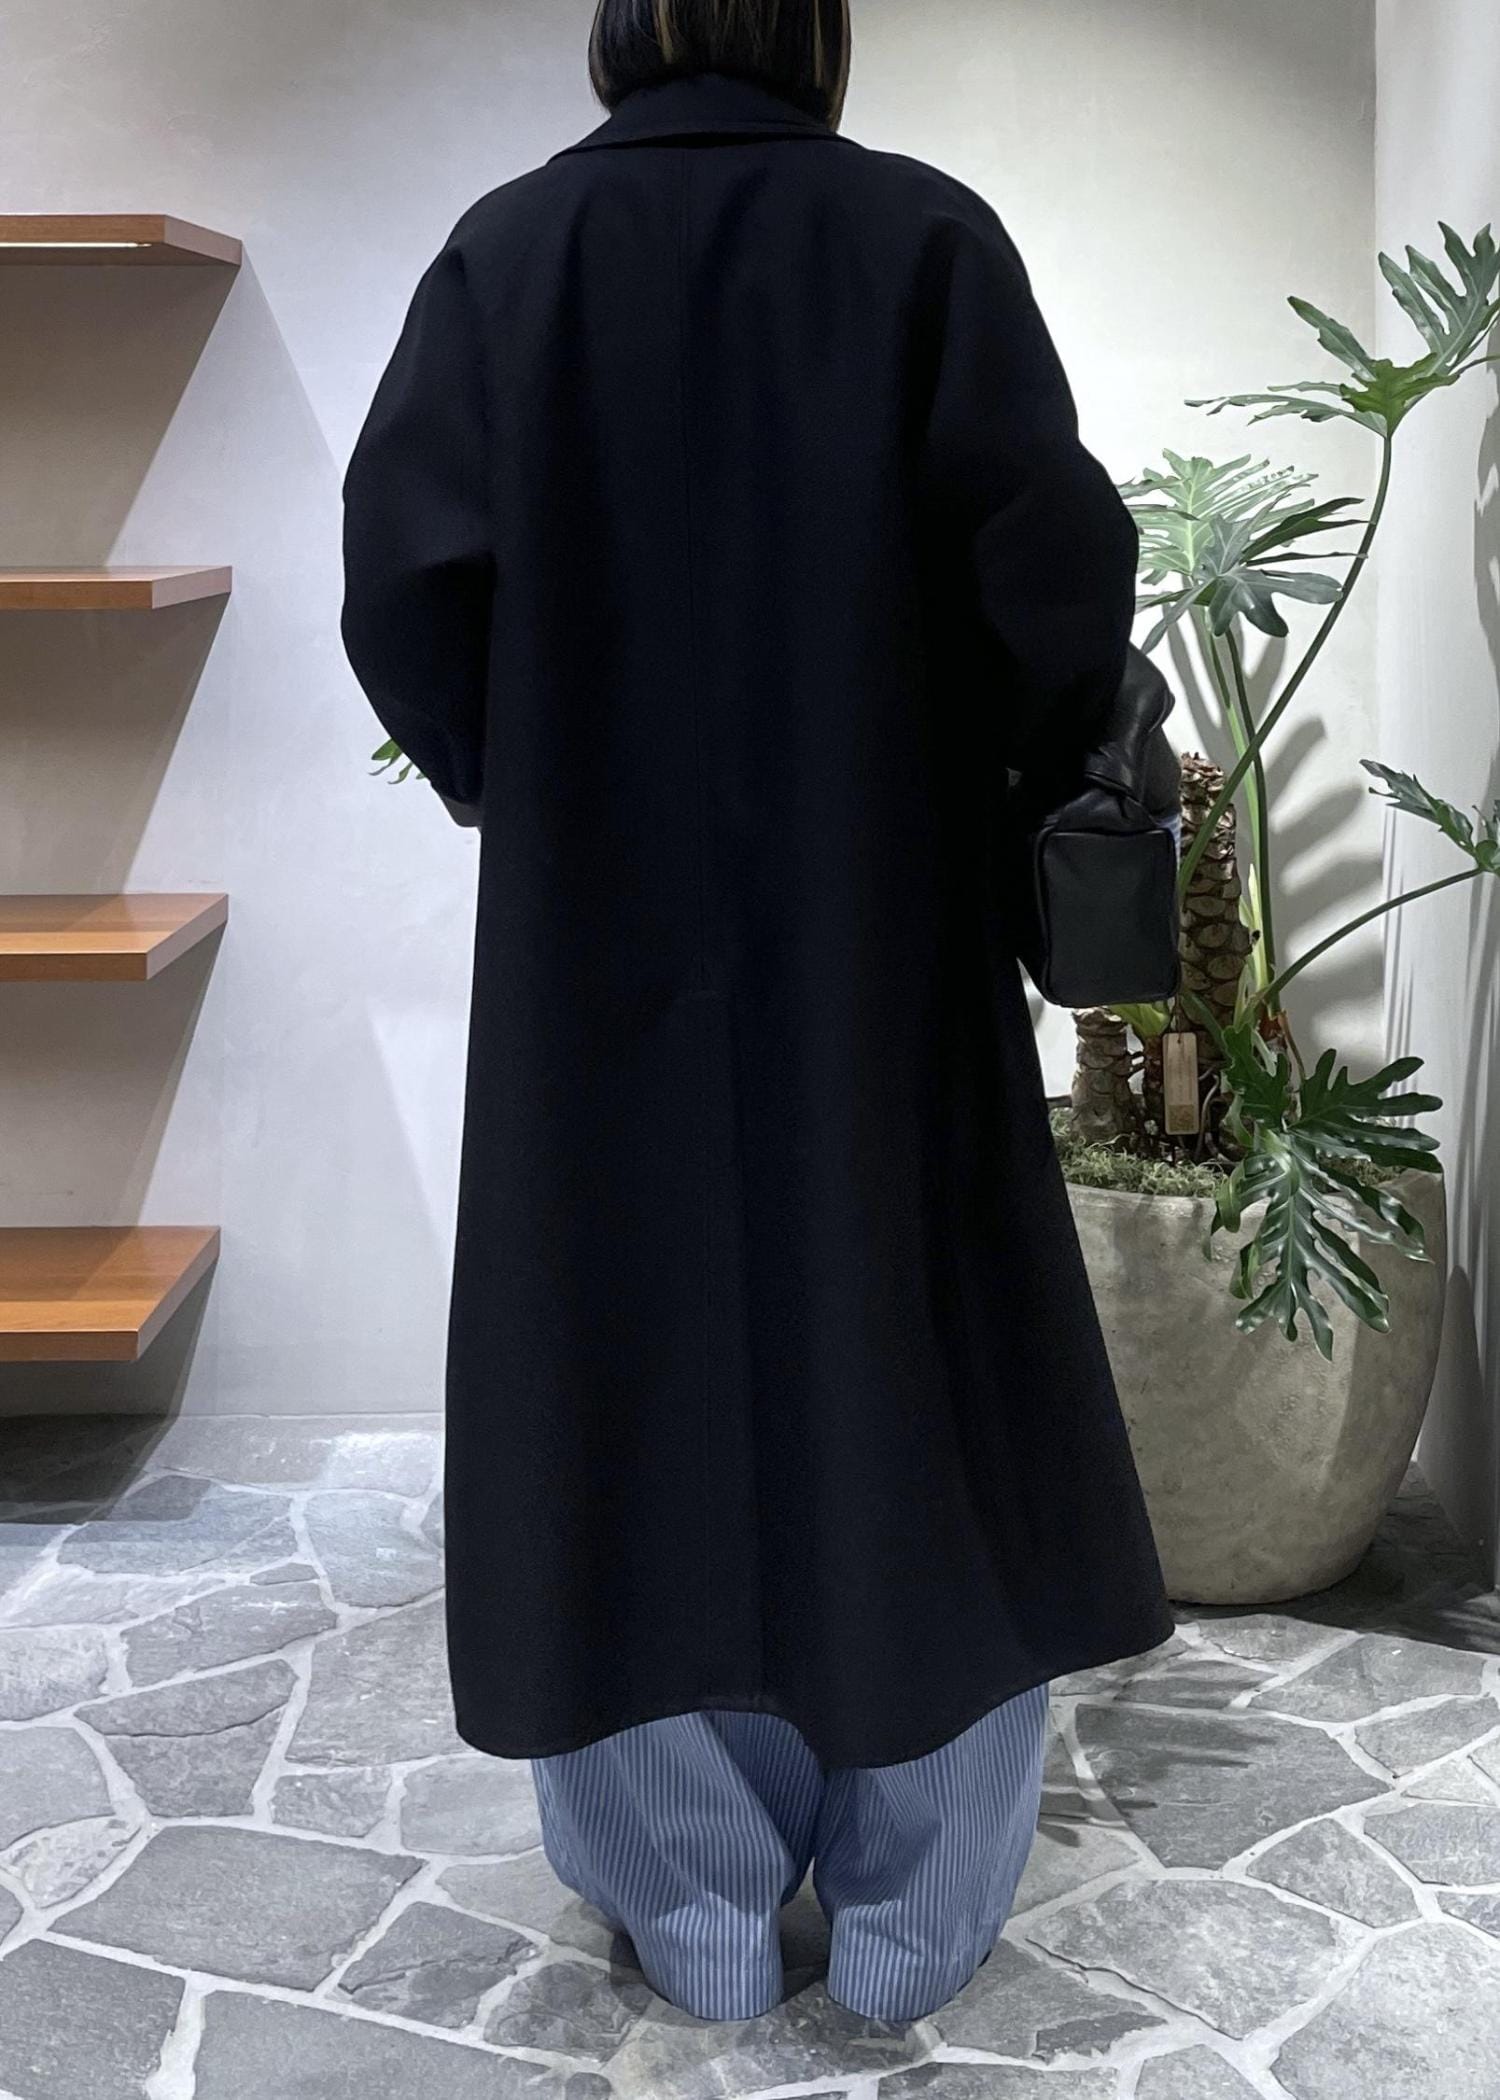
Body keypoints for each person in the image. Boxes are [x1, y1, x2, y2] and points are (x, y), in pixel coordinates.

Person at [341, 0, 1173, 2026]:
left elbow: (405, 587)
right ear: (821, 32)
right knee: (916, 1368)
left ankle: (695, 1921)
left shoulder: (508, 254)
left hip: (596, 949)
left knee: (615, 1379)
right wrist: (1006, 760)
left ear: (621, 28)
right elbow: (1054, 577)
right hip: (883, 925)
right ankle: (909, 1926)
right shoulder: (924, 240)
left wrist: (528, 778)